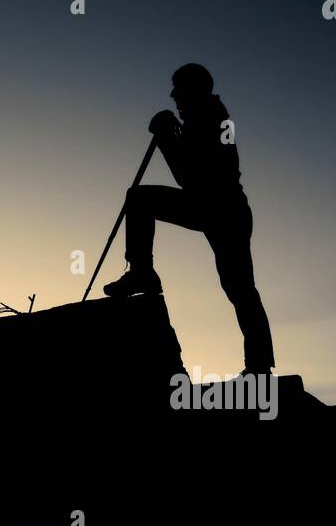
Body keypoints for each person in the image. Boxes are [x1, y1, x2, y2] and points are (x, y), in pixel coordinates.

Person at [102, 63, 275, 374]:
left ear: (193, 89)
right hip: (212, 207)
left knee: (239, 288)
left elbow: (189, 176)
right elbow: (190, 174)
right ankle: (142, 272)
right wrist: (173, 135)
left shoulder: (212, 118)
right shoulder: (204, 117)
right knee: (239, 289)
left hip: (223, 210)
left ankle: (260, 365)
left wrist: (168, 137)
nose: (172, 95)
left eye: (177, 88)